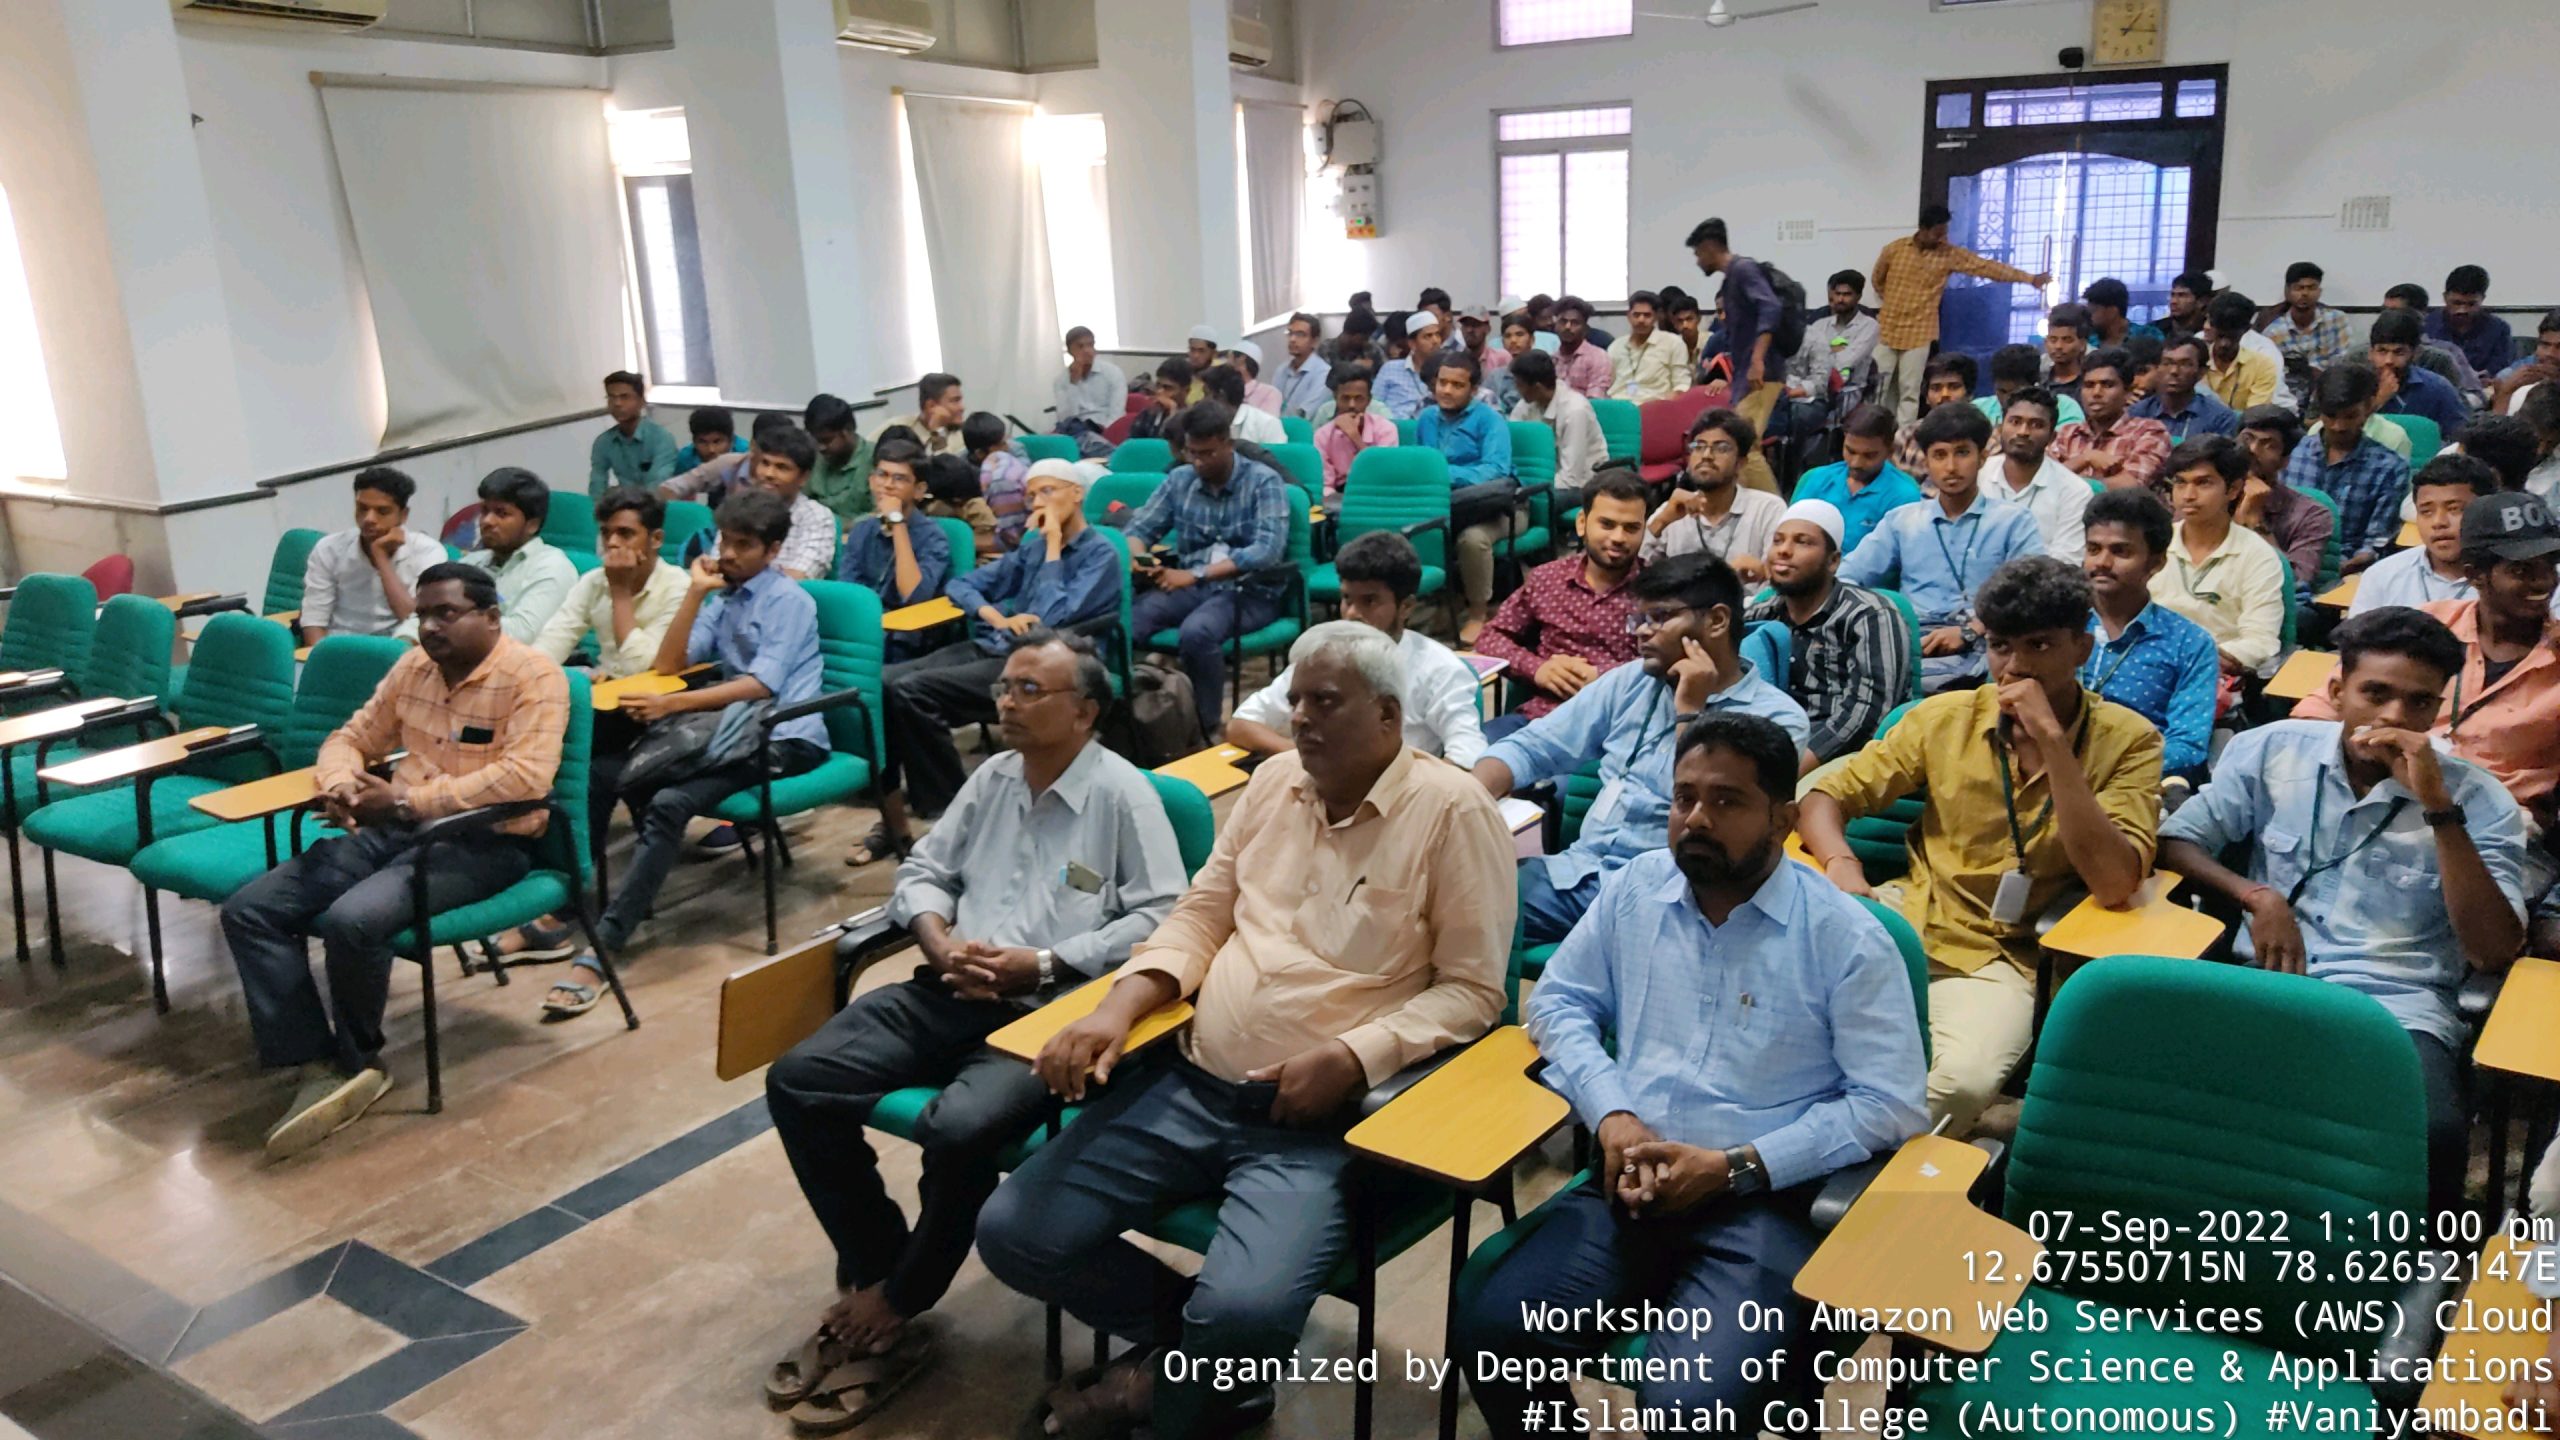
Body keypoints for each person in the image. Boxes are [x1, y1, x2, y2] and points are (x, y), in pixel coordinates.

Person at [976, 625, 1512, 1440]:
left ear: (1388, 715)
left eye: (1325, 701)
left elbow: (1473, 993)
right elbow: (1201, 915)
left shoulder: (1452, 812)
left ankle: (1178, 1387)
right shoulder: (1274, 784)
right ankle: (1203, 1366)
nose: (1301, 719)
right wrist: (1118, 1007)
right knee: (1014, 1232)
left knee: (1247, 1309)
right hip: (1191, 1082)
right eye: (1294, 700)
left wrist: (1353, 1057)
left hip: (1315, 1125)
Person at [1455, 714, 1928, 1440]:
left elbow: (1889, 1104)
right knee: (1498, 1334)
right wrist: (1612, 1114)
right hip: (1632, 1181)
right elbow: (1557, 1003)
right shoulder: (1636, 889)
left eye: (1726, 801)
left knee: (1691, 1409)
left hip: (1765, 1203)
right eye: (1684, 798)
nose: (1696, 819)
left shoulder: (1844, 937)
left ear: (1783, 819)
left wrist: (1735, 1166)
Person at [762, 633, 1185, 1423]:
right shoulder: (993, 777)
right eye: (1003, 688)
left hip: (1046, 1014)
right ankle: (878, 1267)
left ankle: (900, 1300)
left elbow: (1163, 916)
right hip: (949, 987)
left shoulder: (1123, 796)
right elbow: (924, 870)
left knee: (958, 1128)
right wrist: (937, 939)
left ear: (1085, 711)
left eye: (1030, 691)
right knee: (798, 1080)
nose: (1006, 704)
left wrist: (1045, 963)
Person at [2163, 606, 2524, 1217]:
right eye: (2375, 694)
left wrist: (2439, 810)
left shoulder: (2480, 800)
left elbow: (2491, 951)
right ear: (2337, 692)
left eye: (2418, 703)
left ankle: (2418, 1265)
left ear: (2438, 710)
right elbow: (2177, 840)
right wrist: (2255, 895)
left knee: (2430, 1133)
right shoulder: (2270, 751)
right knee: (2173, 1105)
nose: (2394, 717)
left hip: (2397, 1010)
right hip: (2267, 984)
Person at [222, 562, 570, 1157]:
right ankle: (312, 1057)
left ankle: (359, 1059)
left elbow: (524, 778)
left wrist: (408, 802)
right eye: (423, 614)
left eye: (446, 613)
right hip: (396, 828)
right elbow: (349, 738)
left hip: (485, 843)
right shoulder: (413, 668)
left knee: (353, 919)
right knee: (251, 909)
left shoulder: (533, 676)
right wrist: (341, 787)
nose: (429, 627)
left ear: (491, 617)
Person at [1802, 556, 2159, 1134]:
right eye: (1999, 646)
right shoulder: (1946, 717)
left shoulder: (2130, 741)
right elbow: (1822, 795)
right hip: (1908, 916)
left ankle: (1854, 1168)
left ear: (2082, 648)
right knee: (1788, 1029)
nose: (2015, 667)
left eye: (2039, 646)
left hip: (2004, 958)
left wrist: (2053, 742)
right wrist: (1842, 864)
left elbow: (2115, 882)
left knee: (1959, 1085)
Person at [547, 489, 830, 1015]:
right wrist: (697, 594)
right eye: (725, 542)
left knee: (669, 802)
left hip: (785, 737)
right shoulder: (723, 597)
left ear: (773, 551)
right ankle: (572, 904)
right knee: (609, 773)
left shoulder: (789, 601)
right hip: (729, 732)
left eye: (743, 546)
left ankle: (607, 943)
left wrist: (672, 705)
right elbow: (670, 664)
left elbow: (762, 685)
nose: (729, 554)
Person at [1478, 552, 1810, 945]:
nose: (1640, 632)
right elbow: (1532, 747)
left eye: (1660, 617)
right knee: (1454, 893)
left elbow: (1704, 811)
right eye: (1639, 619)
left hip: (1677, 899)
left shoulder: (1776, 719)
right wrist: (1465, 797)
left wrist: (1689, 712)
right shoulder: (1630, 682)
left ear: (1717, 621)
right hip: (1577, 877)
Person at [851, 461, 1122, 870]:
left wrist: (1052, 546)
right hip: (998, 646)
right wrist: (994, 615)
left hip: (1049, 665)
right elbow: (962, 585)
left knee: (912, 692)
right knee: (881, 683)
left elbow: (1051, 622)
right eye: (1031, 495)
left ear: (1077, 493)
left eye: (1047, 492)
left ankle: (952, 813)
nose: (1037, 503)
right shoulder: (1031, 547)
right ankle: (896, 823)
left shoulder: (1100, 555)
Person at [2300, 492, 2560, 894]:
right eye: (2522, 570)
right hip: (2382, 795)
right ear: (2475, 574)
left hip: (2499, 824)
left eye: (2549, 566)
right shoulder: (2426, 627)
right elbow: (2317, 711)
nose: (2542, 583)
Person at [1843, 403, 2045, 692]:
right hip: (1914, 641)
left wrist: (1973, 630)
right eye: (1939, 455)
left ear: (1982, 457)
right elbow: (1848, 577)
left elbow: (2032, 591)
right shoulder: (1903, 521)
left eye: (1962, 453)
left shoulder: (2013, 521)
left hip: (1987, 640)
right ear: (1926, 462)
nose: (1951, 467)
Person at [1232, 534, 1485, 761]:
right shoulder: (1319, 660)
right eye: (1346, 599)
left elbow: (1466, 757)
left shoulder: (1440, 669)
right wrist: (1304, 759)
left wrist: (1413, 790)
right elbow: (1241, 724)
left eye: (1369, 601)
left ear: (1406, 607)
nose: (1352, 613)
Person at [1123, 403, 1291, 738]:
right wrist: (1140, 558)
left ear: (1229, 444)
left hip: (1250, 590)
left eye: (1208, 453)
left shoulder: (1263, 482)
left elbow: (1267, 551)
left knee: (1197, 632)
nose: (1198, 462)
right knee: (1129, 621)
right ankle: (1129, 719)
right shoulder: (1180, 480)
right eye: (1192, 453)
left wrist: (1196, 575)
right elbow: (1137, 529)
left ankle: (1204, 727)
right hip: (1191, 586)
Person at [1476, 473, 1649, 733]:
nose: (1618, 537)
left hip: (1619, 725)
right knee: (1471, 752)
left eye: (1631, 528)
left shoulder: (1659, 591)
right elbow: (1490, 637)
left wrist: (1604, 676)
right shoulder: (1547, 579)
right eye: (1606, 524)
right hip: (1541, 718)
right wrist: (1538, 668)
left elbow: (1671, 664)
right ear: (1582, 523)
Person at [1745, 499, 1911, 766]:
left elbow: (1869, 713)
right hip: (1768, 751)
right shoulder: (1761, 614)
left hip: (1848, 758)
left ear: (1833, 561)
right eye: (1778, 541)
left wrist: (1792, 771)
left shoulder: (1868, 615)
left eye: (1802, 542)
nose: (1784, 551)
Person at [2079, 486, 2217, 781]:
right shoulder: (2056, 622)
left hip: (2134, 784)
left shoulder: (2189, 643)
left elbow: (2188, 746)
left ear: (2156, 562)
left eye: (2120, 551)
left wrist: (2104, 768)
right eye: (2093, 549)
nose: (2102, 562)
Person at [1868, 204, 2050, 422]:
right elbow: (1878, 279)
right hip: (1887, 328)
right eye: (1938, 233)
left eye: (1944, 232)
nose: (1942, 238)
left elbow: (1986, 267)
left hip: (1919, 332)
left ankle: (1902, 436)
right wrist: (1894, 302)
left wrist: (2029, 279)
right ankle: (1874, 430)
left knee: (1910, 391)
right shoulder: (1895, 249)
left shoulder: (1949, 254)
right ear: (1923, 229)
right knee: (1878, 386)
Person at [2153, 436, 2288, 707]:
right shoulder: (2154, 543)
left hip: (2214, 674)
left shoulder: (2257, 555)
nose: (2188, 495)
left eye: (2203, 483)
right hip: (2149, 662)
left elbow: (2261, 641)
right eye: (2180, 483)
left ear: (2233, 489)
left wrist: (2197, 658)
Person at [532, 488, 691, 679]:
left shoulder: (679, 587)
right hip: (603, 686)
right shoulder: (593, 580)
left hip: (651, 692)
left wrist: (620, 591)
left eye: (625, 533)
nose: (612, 543)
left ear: (656, 539)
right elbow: (551, 643)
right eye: (606, 533)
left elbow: (641, 669)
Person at [1417, 351, 1517, 643]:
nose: (1447, 390)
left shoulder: (1490, 419)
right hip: (1445, 504)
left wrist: (1441, 473)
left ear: (1473, 390)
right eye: (1442, 383)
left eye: (1457, 385)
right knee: (1422, 530)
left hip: (1497, 508)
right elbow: (1420, 460)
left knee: (1472, 540)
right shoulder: (1426, 418)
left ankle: (1477, 613)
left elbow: (1496, 471)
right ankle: (1444, 601)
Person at [418, 467, 578, 643]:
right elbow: (423, 614)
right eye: (485, 511)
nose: (487, 521)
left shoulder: (552, 567)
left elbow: (521, 634)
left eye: (501, 513)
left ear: (532, 525)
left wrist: (450, 623)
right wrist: (406, 641)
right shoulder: (470, 563)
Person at [2284, 361, 2412, 573]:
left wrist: (2347, 566)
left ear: (2369, 408)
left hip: (2348, 570)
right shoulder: (2291, 453)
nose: (2338, 426)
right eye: (2330, 416)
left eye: (2350, 416)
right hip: (2287, 562)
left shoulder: (2389, 468)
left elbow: (2376, 541)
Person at [1686, 218, 1785, 490]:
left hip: (1760, 372)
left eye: (1698, 253)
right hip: (1747, 373)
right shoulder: (1733, 277)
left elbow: (1771, 308)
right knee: (1743, 446)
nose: (1697, 261)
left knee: (1744, 446)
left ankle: (1776, 511)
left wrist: (1757, 360)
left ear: (1710, 247)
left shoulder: (1743, 269)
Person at [300, 467, 446, 642]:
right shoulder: (329, 549)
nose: (369, 518)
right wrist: (320, 656)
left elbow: (414, 620)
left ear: (403, 515)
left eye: (382, 511)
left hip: (397, 645)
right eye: (362, 508)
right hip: (340, 645)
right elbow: (314, 620)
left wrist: (380, 558)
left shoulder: (428, 551)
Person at [835, 441, 955, 654]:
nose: (888, 485)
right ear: (871, 480)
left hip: (905, 642)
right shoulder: (862, 530)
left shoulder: (933, 537)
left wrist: (897, 522)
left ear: (919, 490)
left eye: (899, 479)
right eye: (882, 475)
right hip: (861, 630)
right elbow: (847, 590)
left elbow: (914, 595)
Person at [1640, 408, 1785, 579]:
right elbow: (1637, 573)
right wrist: (1661, 522)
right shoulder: (1671, 511)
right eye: (1699, 447)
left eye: (1721, 448)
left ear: (1740, 463)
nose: (1707, 455)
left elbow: (1779, 580)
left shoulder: (1768, 510)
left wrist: (1763, 573)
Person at [2349, 455, 2501, 615]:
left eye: (2454, 509)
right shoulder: (2382, 575)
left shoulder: (2507, 580)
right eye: (2426, 512)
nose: (2439, 522)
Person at [2232, 405, 2334, 605]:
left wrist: (2256, 521)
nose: (2252, 450)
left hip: (2265, 602)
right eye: (2247, 439)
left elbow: (2296, 582)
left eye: (2268, 445)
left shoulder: (2312, 514)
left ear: (2285, 461)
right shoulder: (2206, 495)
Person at [1792, 404, 1923, 553]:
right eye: (1850, 451)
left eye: (1869, 456)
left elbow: (1896, 558)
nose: (1856, 463)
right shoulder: (1815, 479)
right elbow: (1789, 534)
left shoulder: (1904, 496)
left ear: (1890, 452)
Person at [1982, 386, 2091, 562]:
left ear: (2052, 437)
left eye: (2036, 425)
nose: (2023, 432)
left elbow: (2067, 560)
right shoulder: (1978, 475)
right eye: (2015, 422)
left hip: (2041, 579)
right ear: (2000, 428)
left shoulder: (2074, 491)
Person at [2051, 348, 2171, 493]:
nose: (2096, 393)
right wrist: (2085, 458)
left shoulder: (2149, 432)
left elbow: (2131, 486)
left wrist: (2066, 482)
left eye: (2107, 385)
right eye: (2089, 385)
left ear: (2128, 392)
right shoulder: (2067, 433)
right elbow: (2042, 480)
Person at [1507, 348, 1602, 500]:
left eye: (1519, 384)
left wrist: (1533, 490)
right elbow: (1512, 444)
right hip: (1544, 482)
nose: (1516, 389)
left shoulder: (1575, 410)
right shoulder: (1527, 403)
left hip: (1584, 485)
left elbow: (1571, 477)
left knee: (1533, 503)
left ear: (1537, 387)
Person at [2370, 308, 2471, 442]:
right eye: (2382, 351)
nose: (2389, 361)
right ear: (2371, 353)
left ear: (2415, 353)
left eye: (2399, 352)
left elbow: (2460, 436)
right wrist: (2378, 402)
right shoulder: (2355, 385)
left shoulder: (2437, 388)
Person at [661, 410, 788, 510]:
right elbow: (671, 487)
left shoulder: (792, 478)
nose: (711, 449)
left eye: (781, 464)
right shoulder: (732, 463)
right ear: (753, 446)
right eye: (766, 456)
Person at [1788, 269, 1880, 408]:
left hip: (1848, 392)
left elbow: (1846, 361)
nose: (1840, 299)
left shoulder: (1869, 326)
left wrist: (1823, 355)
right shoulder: (1820, 325)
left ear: (1858, 296)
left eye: (1847, 294)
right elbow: (1803, 361)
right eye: (1837, 294)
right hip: (1814, 387)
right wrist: (1833, 351)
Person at [2382, 284, 2488, 397]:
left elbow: (2475, 395)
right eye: (2384, 311)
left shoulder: (2445, 354)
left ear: (2420, 314)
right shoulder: (2370, 352)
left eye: (2395, 311)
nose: (2386, 317)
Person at [2131, 333, 2241, 441]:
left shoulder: (2220, 418)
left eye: (2185, 364)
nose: (2174, 371)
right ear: (2157, 368)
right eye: (2167, 363)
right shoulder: (2138, 413)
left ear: (2202, 372)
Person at [589, 370, 679, 496]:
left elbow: (657, 487)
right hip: (625, 503)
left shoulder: (662, 438)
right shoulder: (604, 442)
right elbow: (597, 483)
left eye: (624, 397)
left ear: (641, 401)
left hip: (659, 503)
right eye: (611, 397)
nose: (617, 403)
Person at [955, 412, 1029, 556]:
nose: (1007, 447)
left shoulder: (1014, 454)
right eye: (1001, 444)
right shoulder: (960, 466)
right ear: (979, 454)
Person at [1314, 364, 1394, 496]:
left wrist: (1355, 437)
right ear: (1335, 398)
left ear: (1368, 400)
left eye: (1359, 399)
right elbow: (1326, 484)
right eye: (1345, 398)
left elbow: (1383, 474)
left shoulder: (1386, 429)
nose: (1352, 405)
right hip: (1339, 496)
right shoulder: (1323, 435)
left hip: (1378, 493)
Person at [2429, 264, 2515, 386]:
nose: (2462, 310)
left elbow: (2501, 367)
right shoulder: (2427, 326)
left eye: (2471, 304)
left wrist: (2487, 377)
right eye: (2456, 303)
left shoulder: (2499, 329)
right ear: (2445, 297)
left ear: (2482, 299)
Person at [1894, 352, 1979, 475]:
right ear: (1927, 397)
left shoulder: (1985, 437)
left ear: (1969, 394)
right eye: (1936, 388)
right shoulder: (1906, 437)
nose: (1944, 394)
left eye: (1954, 387)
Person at [2263, 261, 2354, 372]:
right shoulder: (2274, 332)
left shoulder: (2337, 320)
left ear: (2319, 291)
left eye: (2311, 287)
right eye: (2298, 288)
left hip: (2332, 380)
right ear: (2287, 291)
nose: (2305, 293)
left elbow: (2346, 359)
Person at [2198, 291, 2281, 413]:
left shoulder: (2262, 364)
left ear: (2246, 330)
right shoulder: (2194, 356)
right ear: (2210, 326)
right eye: (2220, 336)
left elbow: (2254, 416)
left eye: (2232, 337)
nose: (2224, 344)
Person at [1972, 343, 2087, 431]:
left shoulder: (2065, 409)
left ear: (2036, 384)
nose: (2007, 399)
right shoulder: (1978, 409)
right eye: (2002, 391)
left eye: (2015, 393)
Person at [1606, 289, 1691, 404]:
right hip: (1619, 406)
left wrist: (1668, 404)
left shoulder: (1673, 343)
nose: (1641, 320)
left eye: (1647, 315)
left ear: (1656, 317)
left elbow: (1681, 385)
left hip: (1654, 407)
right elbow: (1607, 383)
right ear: (1628, 316)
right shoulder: (1616, 346)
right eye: (1636, 315)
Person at [804, 393, 876, 526]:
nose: (820, 447)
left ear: (848, 430)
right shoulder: (815, 460)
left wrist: (842, 526)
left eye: (826, 440)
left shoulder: (875, 458)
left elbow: (881, 513)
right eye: (816, 440)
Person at [1053, 326, 1128, 434]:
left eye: (1090, 345)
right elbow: (1065, 419)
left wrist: (1104, 433)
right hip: (1077, 432)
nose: (1087, 350)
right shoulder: (1061, 381)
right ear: (1070, 351)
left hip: (1107, 430)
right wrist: (1073, 384)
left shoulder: (1113, 373)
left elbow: (1117, 414)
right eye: (1080, 346)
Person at [2489, 309, 2560, 418]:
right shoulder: (2516, 375)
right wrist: (2505, 393)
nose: (2549, 354)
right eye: (2545, 345)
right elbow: (2495, 425)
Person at [1373, 309, 1441, 421]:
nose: (1435, 341)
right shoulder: (1390, 369)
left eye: (1437, 335)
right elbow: (1373, 406)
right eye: (1428, 336)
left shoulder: (1446, 371)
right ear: (1412, 343)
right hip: (1393, 427)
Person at [1198, 362, 1287, 446]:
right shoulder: (1207, 424)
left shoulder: (1267, 424)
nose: (1203, 400)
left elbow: (1278, 457)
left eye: (1206, 394)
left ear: (1221, 396)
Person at [880, 373, 966, 457]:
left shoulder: (963, 437)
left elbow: (944, 464)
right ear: (931, 406)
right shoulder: (898, 427)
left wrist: (938, 431)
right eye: (955, 401)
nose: (962, 408)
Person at [1551, 295, 1615, 399]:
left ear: (1585, 328)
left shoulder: (1598, 357)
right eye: (1563, 321)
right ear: (1556, 325)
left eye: (1575, 323)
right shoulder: (1552, 360)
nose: (1567, 327)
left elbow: (1595, 400)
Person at [1272, 313, 1331, 419]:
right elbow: (1271, 405)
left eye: (1300, 334)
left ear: (1314, 341)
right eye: (1290, 333)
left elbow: (1305, 415)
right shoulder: (1281, 370)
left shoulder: (1324, 373)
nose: (1292, 339)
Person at [2079, 277, 2159, 349]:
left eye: (2093, 310)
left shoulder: (2148, 336)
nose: (2089, 315)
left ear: (2112, 312)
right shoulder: (2087, 340)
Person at [2041, 302, 2091, 406]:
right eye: (2053, 340)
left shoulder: (2090, 383)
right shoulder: (2039, 382)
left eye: (2067, 340)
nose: (2058, 346)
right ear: (2046, 342)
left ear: (2082, 344)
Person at [1128, 359, 1190, 442]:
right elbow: (1133, 445)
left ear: (1186, 391)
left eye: (1167, 388)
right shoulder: (1147, 414)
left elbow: (1176, 446)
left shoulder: (1192, 419)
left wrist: (1173, 414)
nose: (1159, 392)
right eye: (1158, 385)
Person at [674, 406, 743, 472]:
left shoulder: (745, 455)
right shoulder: (685, 459)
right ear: (694, 441)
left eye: (717, 442)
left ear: (731, 440)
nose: (711, 450)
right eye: (703, 442)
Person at [1229, 340, 1284, 415]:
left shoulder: (1270, 393)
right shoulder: (1224, 391)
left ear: (1241, 358)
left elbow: (1269, 421)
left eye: (1229, 357)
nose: (1226, 363)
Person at [2159, 270, 2213, 344]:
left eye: (2182, 295)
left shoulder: (2209, 331)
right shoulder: (2155, 331)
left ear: (2201, 301)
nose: (2173, 301)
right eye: (2172, 295)